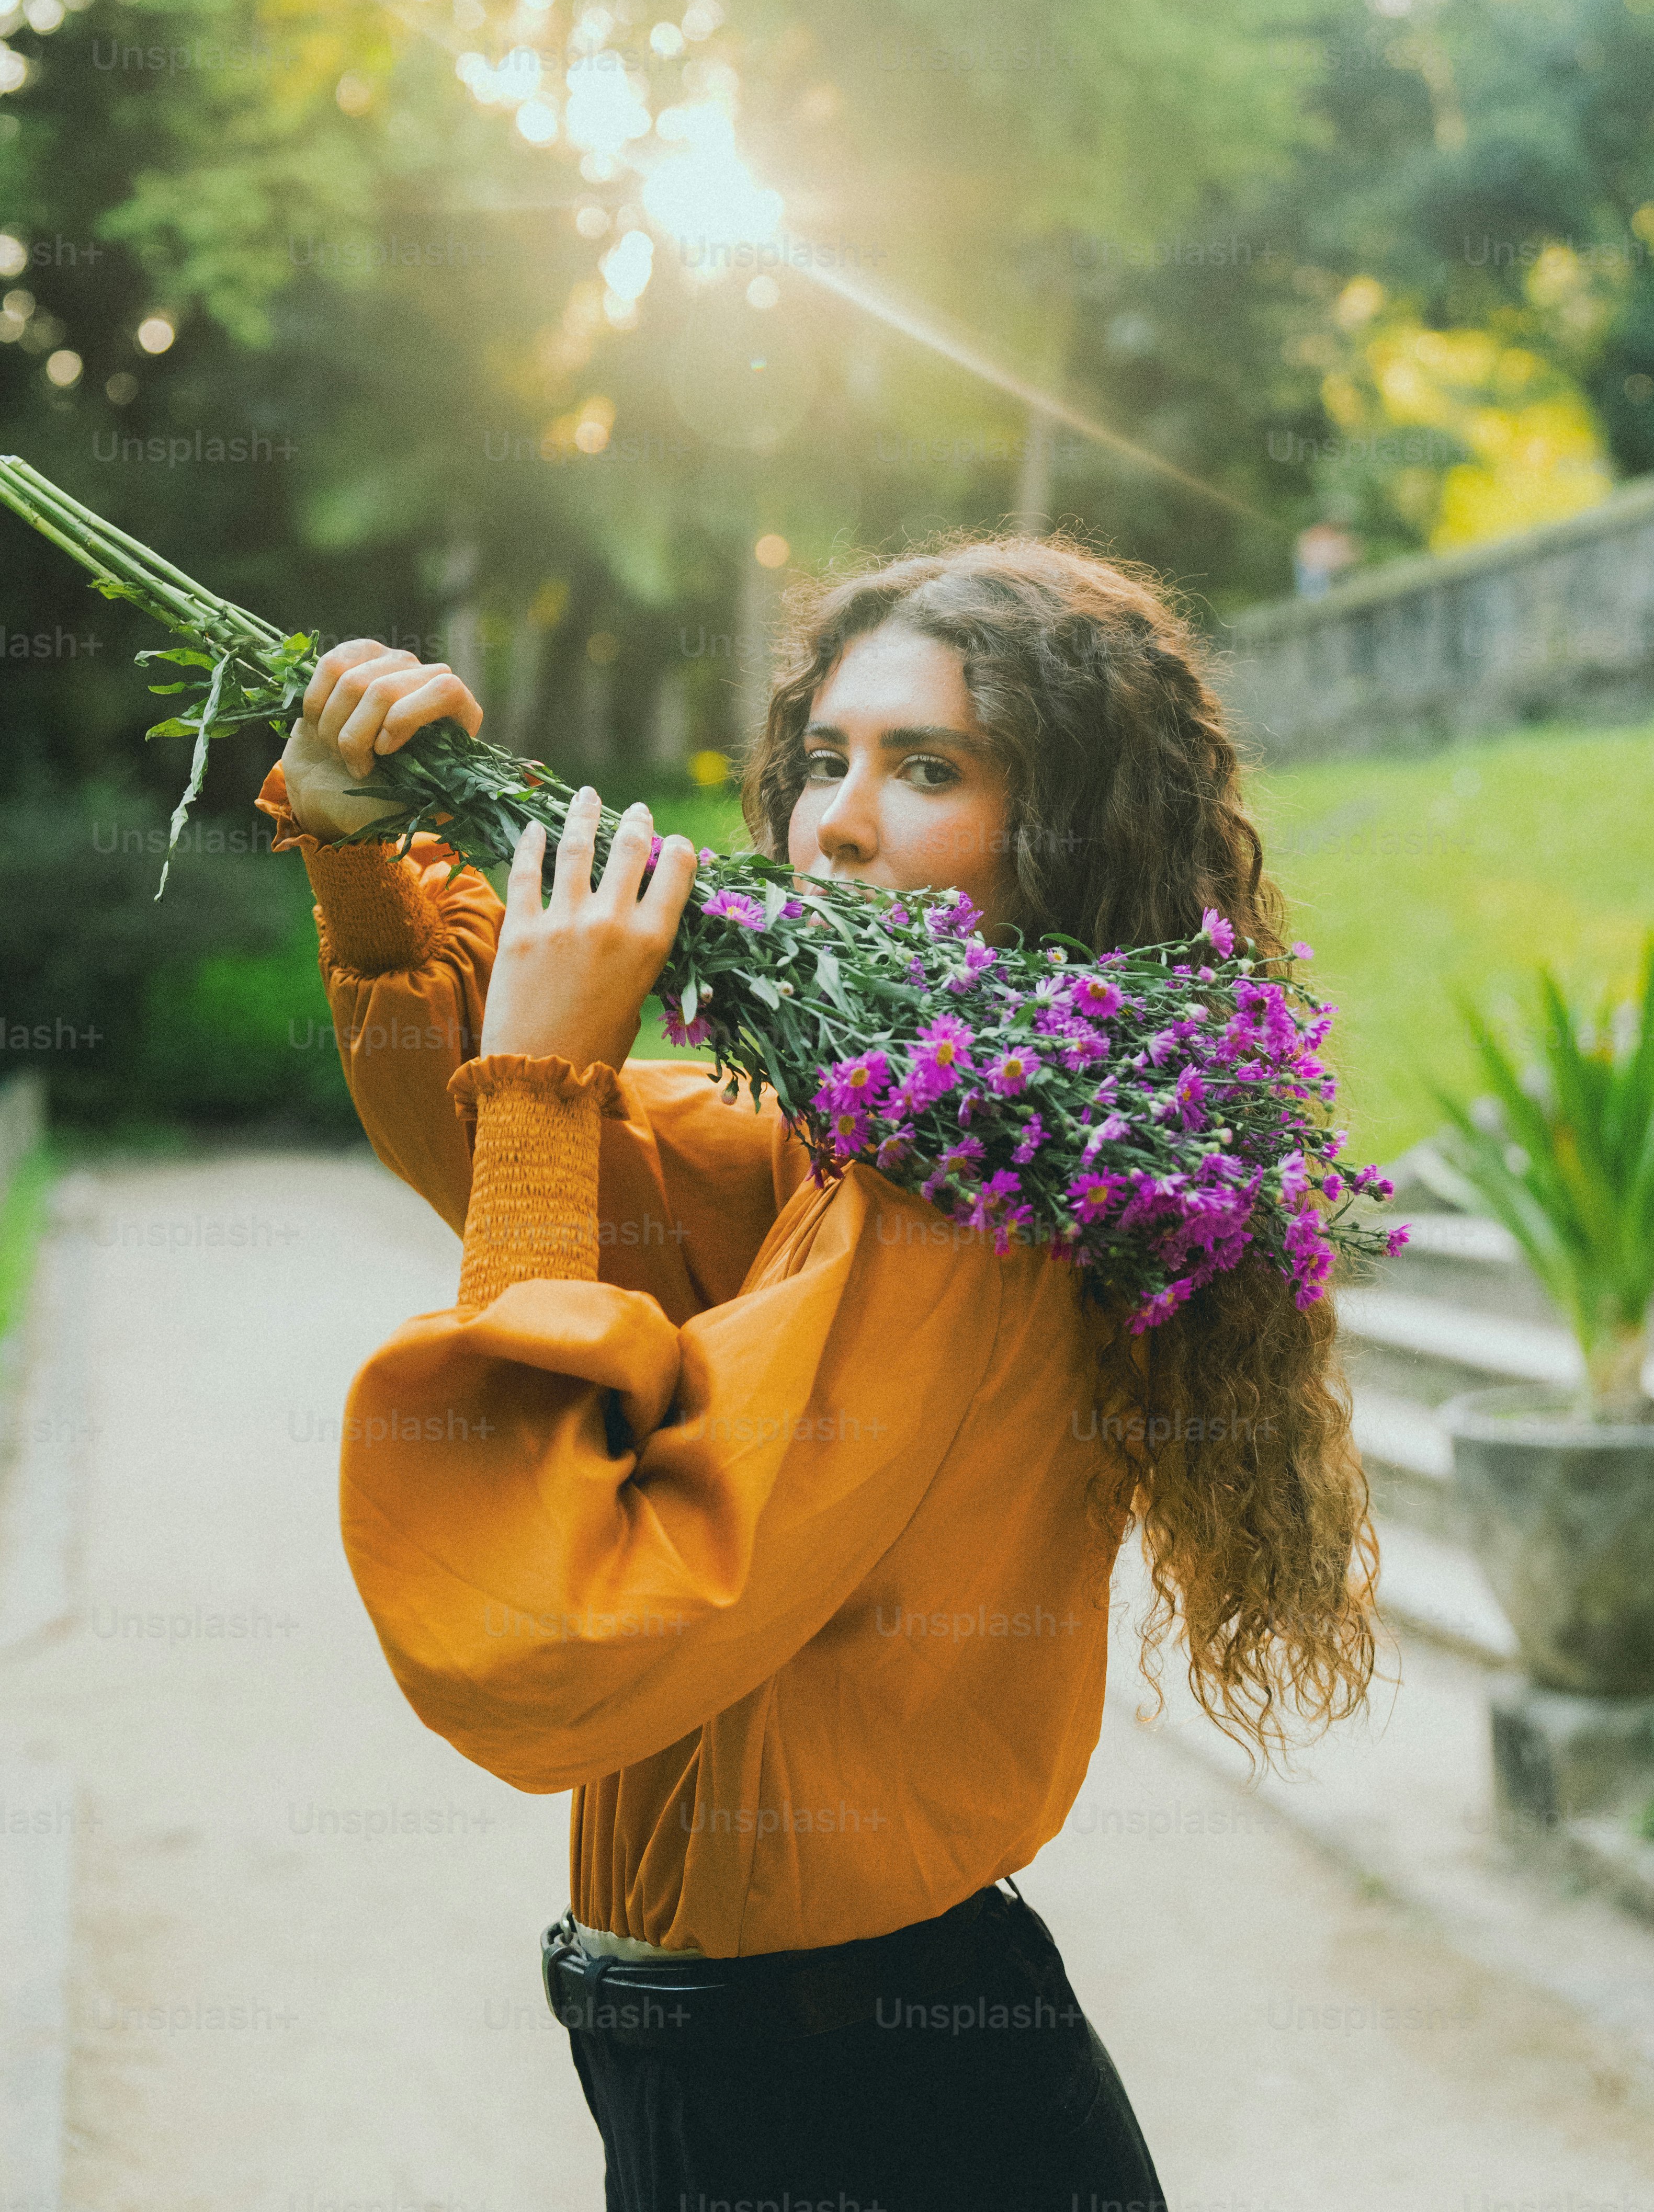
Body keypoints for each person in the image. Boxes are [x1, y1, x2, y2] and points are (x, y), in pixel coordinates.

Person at [264, 534, 1378, 2212]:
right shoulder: (870, 1147)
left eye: (928, 769)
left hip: (858, 2103)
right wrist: (370, 862)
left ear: (1066, 834)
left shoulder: (968, 1203)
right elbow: (554, 1174)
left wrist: (553, 1074)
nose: (837, 820)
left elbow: (566, 1625)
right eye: (829, 760)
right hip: (809, 2067)